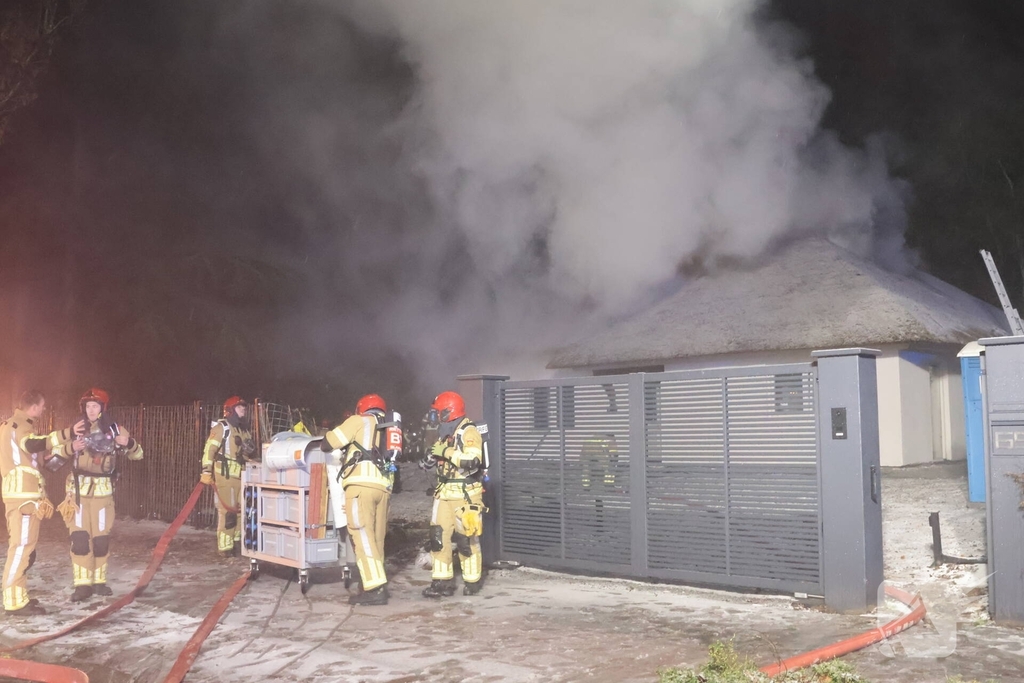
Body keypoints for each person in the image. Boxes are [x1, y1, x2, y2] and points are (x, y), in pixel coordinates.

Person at [53, 388, 143, 602]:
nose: (91, 410)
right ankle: (82, 585)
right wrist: (70, 447)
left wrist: (128, 443)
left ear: (102, 408)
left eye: (95, 406)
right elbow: (53, 459)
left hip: (104, 494)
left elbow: (138, 455)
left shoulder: (115, 430)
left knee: (101, 540)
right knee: (80, 539)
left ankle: (99, 581)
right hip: (78, 494)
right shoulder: (75, 429)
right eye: (87, 406)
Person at [0, 390, 80, 615]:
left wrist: (68, 449)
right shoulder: (20, 426)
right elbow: (34, 445)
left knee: (25, 549)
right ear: (34, 406)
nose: (44, 409)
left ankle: (19, 596)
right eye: (43, 406)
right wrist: (69, 433)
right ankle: (14, 602)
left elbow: (39, 458)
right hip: (23, 496)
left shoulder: (10, 425)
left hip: (21, 495)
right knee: (21, 548)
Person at [321, 394, 395, 606]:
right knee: (376, 538)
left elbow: (328, 443)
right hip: (383, 488)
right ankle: (373, 581)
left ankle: (374, 588)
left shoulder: (359, 420)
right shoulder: (388, 428)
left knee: (362, 535)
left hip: (360, 486)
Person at [421, 391, 487, 598]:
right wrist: (431, 457)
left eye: (438, 413)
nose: (435, 417)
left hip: (465, 494)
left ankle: (472, 581)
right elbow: (433, 458)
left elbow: (472, 461)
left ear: (449, 411)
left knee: (467, 539)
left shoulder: (469, 431)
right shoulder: (445, 432)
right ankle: (441, 582)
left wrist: (446, 453)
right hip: (444, 493)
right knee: (438, 538)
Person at [201, 396, 256, 556]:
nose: (243, 410)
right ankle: (225, 548)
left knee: (241, 511)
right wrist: (206, 471)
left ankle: (236, 543)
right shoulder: (221, 428)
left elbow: (249, 452)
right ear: (230, 410)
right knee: (228, 513)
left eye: (244, 408)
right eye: (240, 408)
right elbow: (209, 450)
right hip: (224, 477)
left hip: (242, 476)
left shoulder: (243, 429)